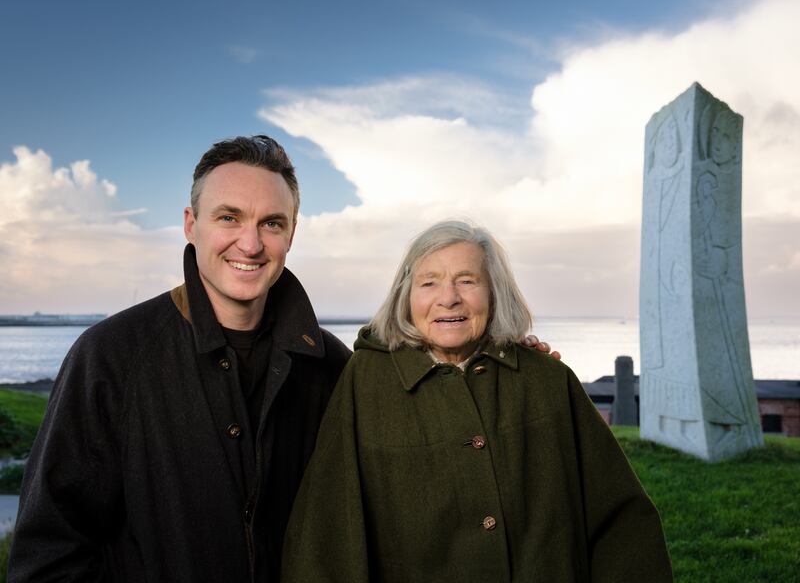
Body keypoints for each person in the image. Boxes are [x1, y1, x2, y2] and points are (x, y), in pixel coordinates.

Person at [8, 136, 557, 582]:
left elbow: (428, 415)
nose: (250, 243)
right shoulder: (110, 359)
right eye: (229, 217)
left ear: (292, 233)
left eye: (271, 222)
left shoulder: (334, 365)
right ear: (189, 224)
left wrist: (505, 358)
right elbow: (49, 553)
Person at [281, 220, 673, 582]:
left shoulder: (548, 380)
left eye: (467, 281)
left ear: (494, 291)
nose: (448, 299)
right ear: (406, 295)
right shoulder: (365, 381)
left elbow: (622, 524)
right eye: (429, 282)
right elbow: (327, 531)